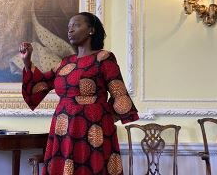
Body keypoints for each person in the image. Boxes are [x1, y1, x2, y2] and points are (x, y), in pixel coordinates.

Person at [20, 12, 139, 175]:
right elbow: (40, 85)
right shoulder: (65, 62)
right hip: (63, 128)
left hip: (94, 127)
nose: (70, 30)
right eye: (68, 27)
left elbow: (119, 92)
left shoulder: (103, 58)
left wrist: (103, 118)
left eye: (75, 25)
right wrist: (27, 62)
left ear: (91, 30)